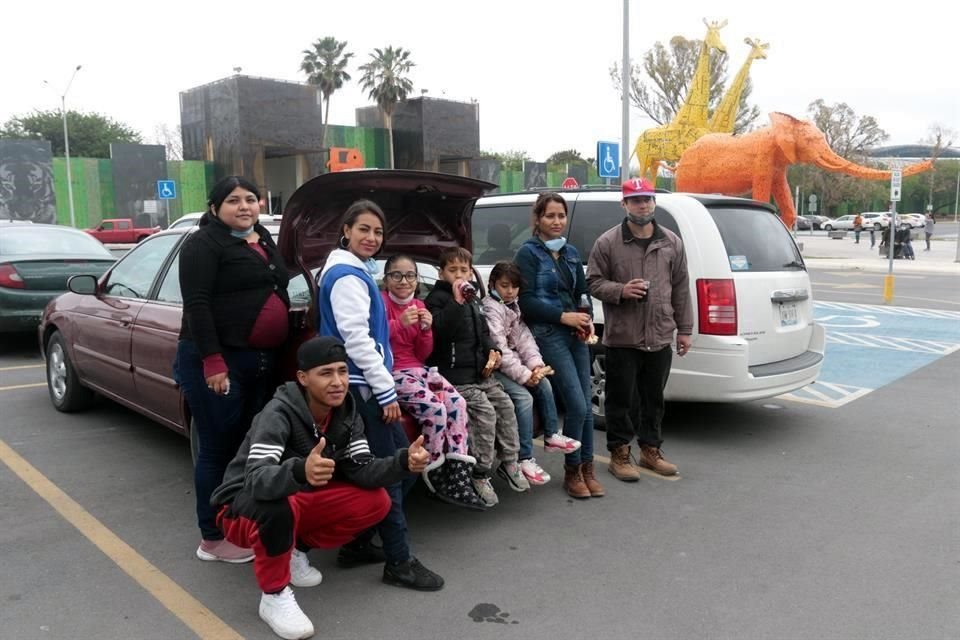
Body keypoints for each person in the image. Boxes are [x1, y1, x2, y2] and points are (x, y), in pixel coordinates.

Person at [210, 336, 430, 640]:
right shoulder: (278, 413)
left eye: (342, 371)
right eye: (325, 373)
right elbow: (257, 479)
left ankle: (294, 550)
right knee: (278, 505)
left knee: (376, 501)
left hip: (294, 499)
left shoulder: (347, 413)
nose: (338, 382)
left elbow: (363, 470)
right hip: (239, 507)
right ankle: (273, 596)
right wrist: (300, 469)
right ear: (303, 378)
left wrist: (403, 462)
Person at [317, 199, 443, 591]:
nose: (371, 237)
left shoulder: (350, 271)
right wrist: (386, 391)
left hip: (365, 386)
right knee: (394, 470)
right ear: (346, 230)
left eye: (377, 231)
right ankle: (399, 560)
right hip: (363, 390)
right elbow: (356, 338)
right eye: (364, 229)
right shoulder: (348, 277)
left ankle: (357, 542)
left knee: (397, 469)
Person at [174, 175, 289, 563]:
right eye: (233, 201)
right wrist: (213, 362)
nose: (244, 207)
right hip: (218, 362)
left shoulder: (262, 238)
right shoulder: (202, 245)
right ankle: (212, 536)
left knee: (247, 448)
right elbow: (199, 306)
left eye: (251, 199)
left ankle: (240, 521)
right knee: (216, 448)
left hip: (258, 360)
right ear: (214, 207)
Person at [587, 178, 693, 482]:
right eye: (635, 200)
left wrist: (684, 329)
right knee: (620, 400)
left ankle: (650, 450)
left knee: (653, 399)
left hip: (659, 335)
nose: (642, 204)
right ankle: (619, 453)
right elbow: (593, 282)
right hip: (624, 337)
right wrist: (621, 290)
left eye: (647, 199)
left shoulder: (671, 242)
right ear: (624, 205)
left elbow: (681, 288)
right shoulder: (608, 242)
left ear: (654, 202)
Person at [515, 192, 604, 500]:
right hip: (548, 334)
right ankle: (572, 470)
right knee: (578, 406)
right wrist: (562, 316)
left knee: (588, 411)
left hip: (574, 333)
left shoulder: (569, 252)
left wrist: (586, 318)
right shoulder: (527, 254)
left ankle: (587, 468)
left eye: (561, 216)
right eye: (550, 216)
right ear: (538, 219)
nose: (556, 221)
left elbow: (582, 292)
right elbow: (525, 302)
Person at [380, 254, 486, 510]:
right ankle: (433, 472)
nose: (404, 281)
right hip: (392, 372)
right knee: (435, 409)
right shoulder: (380, 304)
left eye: (410, 276)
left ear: (417, 280)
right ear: (386, 280)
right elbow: (375, 340)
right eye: (397, 275)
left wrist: (427, 330)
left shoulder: (419, 304)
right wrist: (398, 324)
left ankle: (458, 475)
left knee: (457, 404)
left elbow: (422, 354)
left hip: (419, 369)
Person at [425, 247, 529, 507]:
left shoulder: (474, 300)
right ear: (441, 273)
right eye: (453, 270)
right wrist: (456, 302)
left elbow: (483, 334)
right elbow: (440, 332)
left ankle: (510, 462)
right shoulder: (437, 298)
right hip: (454, 377)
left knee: (505, 404)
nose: (459, 275)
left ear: (471, 272)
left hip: (479, 373)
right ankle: (480, 472)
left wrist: (492, 352)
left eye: (464, 270)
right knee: (485, 413)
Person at [482, 260, 582, 487]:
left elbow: (525, 339)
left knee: (544, 382)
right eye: (504, 285)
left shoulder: (513, 306)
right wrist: (525, 375)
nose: (509, 291)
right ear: (493, 284)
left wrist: (535, 366)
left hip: (513, 366)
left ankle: (550, 435)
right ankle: (524, 457)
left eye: (514, 287)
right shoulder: (491, 309)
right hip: (494, 368)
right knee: (524, 398)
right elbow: (500, 349)